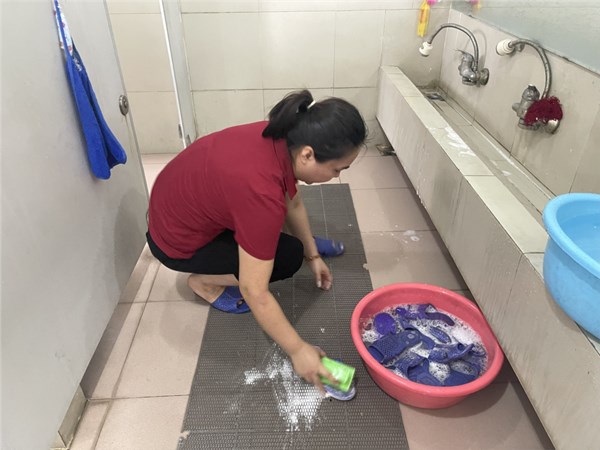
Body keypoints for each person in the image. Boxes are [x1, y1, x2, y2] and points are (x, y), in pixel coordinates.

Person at [146, 89, 367, 392]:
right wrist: (298, 350)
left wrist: (313, 254)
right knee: (287, 256)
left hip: (176, 210)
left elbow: (293, 200)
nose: (338, 175)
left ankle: (278, 244)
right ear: (308, 154)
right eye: (337, 169)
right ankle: (204, 283)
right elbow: (254, 291)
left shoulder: (279, 135)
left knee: (292, 244)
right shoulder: (261, 194)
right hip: (175, 243)